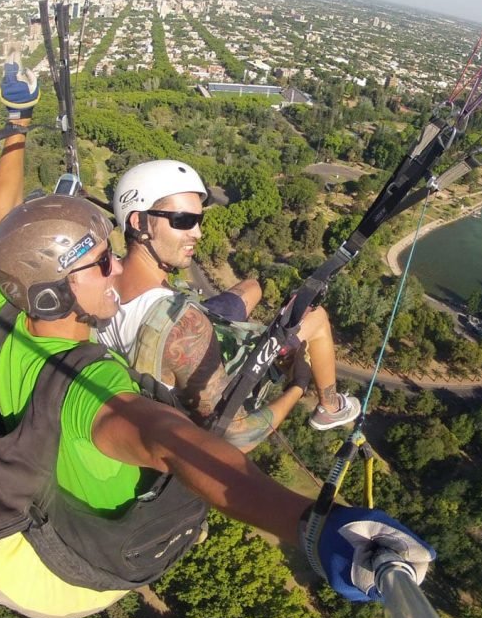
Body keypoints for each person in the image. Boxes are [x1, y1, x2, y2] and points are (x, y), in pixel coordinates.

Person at [0, 59, 433, 618]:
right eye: (101, 262)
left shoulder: (11, 310)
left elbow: (5, 221)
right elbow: (173, 445)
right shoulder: (90, 386)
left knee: (248, 296)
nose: (116, 270)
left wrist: (18, 122)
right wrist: (312, 525)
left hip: (39, 508)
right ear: (56, 293)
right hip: (78, 575)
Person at [97, 160, 360, 452]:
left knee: (251, 288)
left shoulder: (102, 277)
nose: (197, 233)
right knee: (316, 316)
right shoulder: (185, 326)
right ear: (138, 222)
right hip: (187, 355)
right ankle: (330, 406)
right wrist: (298, 384)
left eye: (199, 221)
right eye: (183, 220)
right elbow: (237, 436)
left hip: (164, 335)